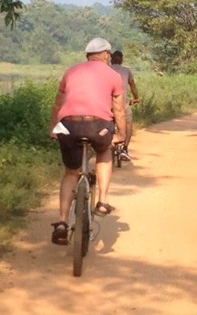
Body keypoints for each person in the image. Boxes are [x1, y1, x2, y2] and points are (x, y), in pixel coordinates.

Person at [49, 37, 127, 245]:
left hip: (68, 126)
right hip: (97, 126)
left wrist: (53, 129)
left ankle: (62, 223)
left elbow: (58, 104)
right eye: (109, 55)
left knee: (70, 173)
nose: (110, 58)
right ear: (105, 55)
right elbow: (119, 109)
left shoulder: (71, 71)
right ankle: (102, 200)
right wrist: (121, 135)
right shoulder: (113, 75)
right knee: (104, 152)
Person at [110, 50, 140, 160]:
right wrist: (137, 97)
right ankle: (124, 149)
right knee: (128, 124)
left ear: (111, 59)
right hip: (123, 104)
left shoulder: (106, 70)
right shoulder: (127, 71)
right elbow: (132, 85)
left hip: (108, 105)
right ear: (122, 60)